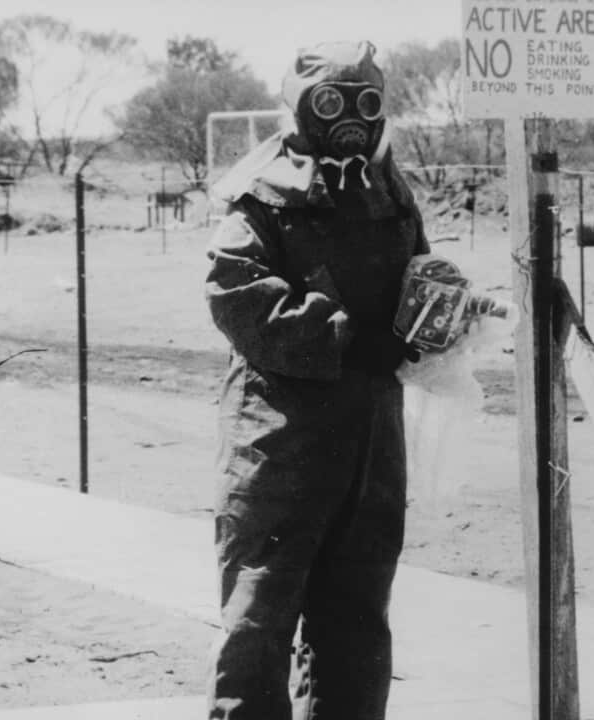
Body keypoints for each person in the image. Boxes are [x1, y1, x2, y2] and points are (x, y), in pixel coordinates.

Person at [203, 40, 427, 720]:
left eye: (365, 102)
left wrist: (439, 316)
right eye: (332, 103)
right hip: (279, 443)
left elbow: (419, 278)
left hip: (370, 442)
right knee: (259, 620)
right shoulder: (261, 193)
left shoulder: (388, 192)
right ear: (302, 109)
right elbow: (237, 294)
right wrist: (347, 339)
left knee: (357, 621)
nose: (350, 119)